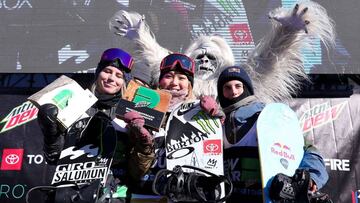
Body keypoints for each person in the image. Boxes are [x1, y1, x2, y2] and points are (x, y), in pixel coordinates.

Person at [36, 48, 154, 203]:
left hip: (113, 194)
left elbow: (137, 171)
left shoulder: (130, 111)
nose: (112, 78)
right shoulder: (76, 102)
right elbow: (54, 158)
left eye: (119, 75)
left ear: (125, 81)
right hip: (69, 191)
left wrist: (143, 142)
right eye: (107, 71)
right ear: (98, 72)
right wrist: (50, 131)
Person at [216, 65, 330, 202]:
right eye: (227, 88)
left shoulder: (268, 118)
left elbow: (307, 150)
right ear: (221, 93)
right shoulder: (219, 125)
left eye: (238, 86)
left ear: (246, 88)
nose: (233, 92)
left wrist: (311, 178)